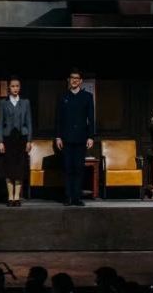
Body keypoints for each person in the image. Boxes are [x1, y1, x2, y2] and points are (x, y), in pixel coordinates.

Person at [55, 68, 95, 206]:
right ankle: (68, 197)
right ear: (69, 80)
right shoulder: (63, 96)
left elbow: (91, 118)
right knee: (68, 168)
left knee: (78, 168)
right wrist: (58, 137)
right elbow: (58, 118)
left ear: (81, 81)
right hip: (66, 138)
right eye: (72, 78)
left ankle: (77, 197)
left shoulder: (87, 96)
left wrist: (91, 137)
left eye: (77, 78)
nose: (74, 80)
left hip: (81, 138)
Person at [0, 76, 33, 206]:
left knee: (19, 168)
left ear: (20, 87)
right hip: (8, 138)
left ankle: (17, 197)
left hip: (21, 138)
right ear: (9, 87)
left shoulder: (25, 102)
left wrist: (29, 140)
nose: (15, 88)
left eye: (17, 86)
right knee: (9, 168)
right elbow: (0, 123)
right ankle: (10, 197)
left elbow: (29, 122)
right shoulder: (3, 103)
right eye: (13, 86)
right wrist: (0, 141)